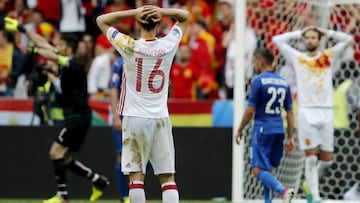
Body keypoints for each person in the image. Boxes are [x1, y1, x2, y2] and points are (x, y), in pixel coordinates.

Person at [5, 17, 110, 203]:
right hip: (76, 117)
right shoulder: (64, 60)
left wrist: (37, 52)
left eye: (60, 44)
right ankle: (98, 181)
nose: (57, 46)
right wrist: (23, 29)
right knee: (66, 158)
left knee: (55, 152)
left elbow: (49, 54)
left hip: (78, 117)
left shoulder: (75, 63)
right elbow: (43, 43)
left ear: (68, 48)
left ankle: (62, 196)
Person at [96, 5, 189, 203]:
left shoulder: (129, 45)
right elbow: (185, 16)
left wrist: (133, 12)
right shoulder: (168, 45)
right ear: (158, 24)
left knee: (136, 177)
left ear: (139, 23)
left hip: (134, 117)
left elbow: (101, 21)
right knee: (167, 178)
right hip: (161, 117)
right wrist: (161, 11)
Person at [272, 26, 353, 203]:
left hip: (326, 112)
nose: (309, 40)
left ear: (319, 40)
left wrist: (327, 32)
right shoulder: (298, 58)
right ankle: (315, 198)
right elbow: (276, 40)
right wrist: (297, 33)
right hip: (306, 112)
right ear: (303, 39)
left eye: (313, 37)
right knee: (310, 158)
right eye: (307, 37)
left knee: (327, 160)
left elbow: (348, 39)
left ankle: (309, 185)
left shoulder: (327, 56)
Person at [235, 48, 295, 203]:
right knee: (268, 169)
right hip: (279, 129)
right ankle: (268, 201)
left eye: (254, 61)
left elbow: (249, 111)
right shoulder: (283, 82)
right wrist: (290, 137)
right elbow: (290, 112)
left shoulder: (258, 80)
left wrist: (240, 129)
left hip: (262, 128)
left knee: (257, 169)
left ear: (260, 62)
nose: (254, 65)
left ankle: (283, 191)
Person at [108, 51, 130, 203]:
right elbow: (113, 88)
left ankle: (136, 192)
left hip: (139, 114)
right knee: (122, 156)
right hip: (122, 114)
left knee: (143, 158)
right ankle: (125, 196)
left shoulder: (145, 60)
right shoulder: (120, 63)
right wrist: (116, 116)